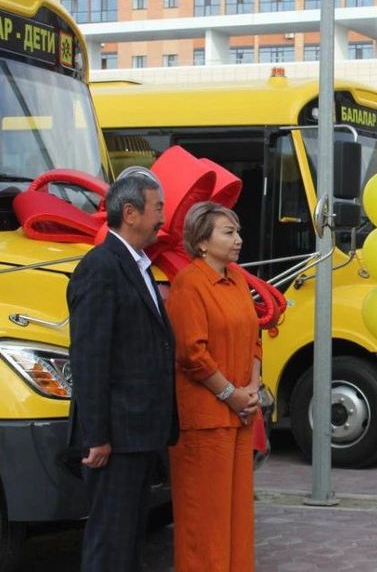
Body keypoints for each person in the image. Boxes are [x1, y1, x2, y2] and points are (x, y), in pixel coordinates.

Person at [66, 167, 178, 571]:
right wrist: (96, 435)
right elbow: (90, 356)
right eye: (157, 208)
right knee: (109, 540)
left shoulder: (137, 264)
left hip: (139, 434)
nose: (162, 218)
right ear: (130, 213)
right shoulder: (101, 266)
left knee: (129, 539)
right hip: (115, 436)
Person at [166, 202, 262, 571]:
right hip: (205, 422)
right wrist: (232, 394)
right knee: (205, 518)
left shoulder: (237, 278)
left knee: (237, 516)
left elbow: (254, 337)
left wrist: (251, 388)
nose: (238, 239)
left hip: (239, 417)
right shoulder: (189, 284)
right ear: (202, 241)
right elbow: (192, 353)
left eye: (237, 231)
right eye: (228, 232)